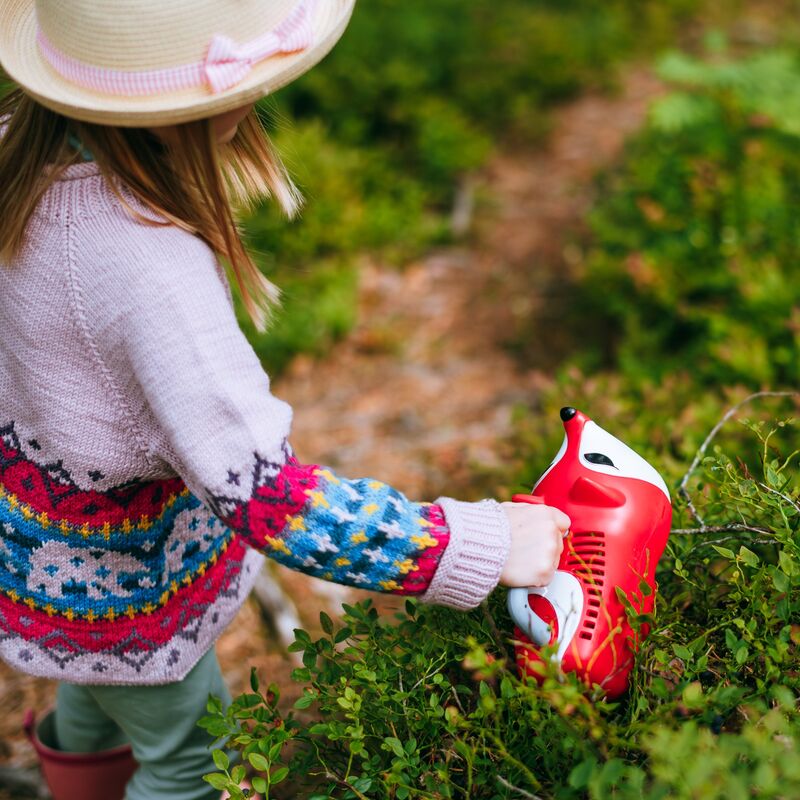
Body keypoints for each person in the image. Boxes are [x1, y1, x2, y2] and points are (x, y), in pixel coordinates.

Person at [0, 0, 570, 798]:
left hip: (47, 571)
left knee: (97, 697)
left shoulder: (18, 155)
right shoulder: (148, 269)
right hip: (130, 601)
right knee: (187, 763)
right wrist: (473, 544)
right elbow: (270, 500)